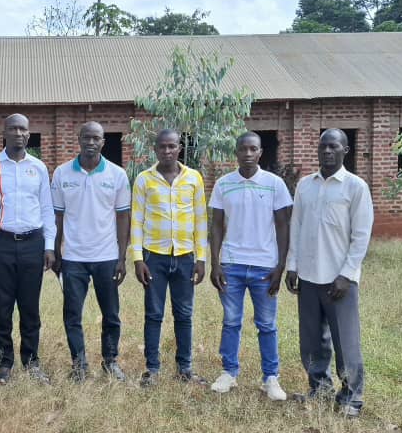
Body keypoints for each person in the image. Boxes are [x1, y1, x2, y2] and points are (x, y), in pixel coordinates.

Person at [286, 128, 374, 418]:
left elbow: (361, 236)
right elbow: (296, 227)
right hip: (309, 276)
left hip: (339, 280)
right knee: (311, 340)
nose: (327, 151)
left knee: (345, 341)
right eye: (323, 146)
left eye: (333, 147)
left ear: (345, 150)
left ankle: (351, 398)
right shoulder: (305, 186)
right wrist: (292, 266)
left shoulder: (355, 187)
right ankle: (319, 387)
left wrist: (347, 275)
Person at [207, 132, 291, 401]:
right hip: (231, 264)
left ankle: (271, 378)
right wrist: (215, 263)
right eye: (242, 149)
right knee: (231, 321)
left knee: (266, 323)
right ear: (236, 152)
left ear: (260, 152)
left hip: (264, 267)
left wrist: (280, 266)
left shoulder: (275, 184)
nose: (247, 153)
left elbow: (283, 226)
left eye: (252, 149)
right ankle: (229, 373)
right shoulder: (223, 184)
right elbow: (217, 225)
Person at [0, 113, 57, 385]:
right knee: (2, 307)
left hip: (33, 243)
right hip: (0, 243)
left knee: (30, 307)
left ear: (29, 133)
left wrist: (49, 246)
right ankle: (4, 364)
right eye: (13, 129)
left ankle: (32, 361)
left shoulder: (39, 168)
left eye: (23, 129)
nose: (19, 133)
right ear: (4, 132)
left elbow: (47, 209)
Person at [51, 122, 131, 382]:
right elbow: (58, 217)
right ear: (79, 139)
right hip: (73, 257)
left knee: (111, 314)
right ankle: (79, 364)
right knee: (72, 314)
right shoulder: (62, 174)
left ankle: (110, 361)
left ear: (103, 141)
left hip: (107, 257)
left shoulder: (117, 175)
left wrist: (121, 256)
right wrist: (56, 251)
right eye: (86, 137)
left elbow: (122, 217)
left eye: (96, 138)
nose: (91, 142)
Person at [130, 129, 208, 387]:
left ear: (179, 148)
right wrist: (138, 258)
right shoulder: (144, 179)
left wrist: (201, 258)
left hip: (185, 256)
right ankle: (152, 369)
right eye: (162, 147)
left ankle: (184, 368)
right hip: (155, 257)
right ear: (155, 149)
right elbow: (137, 220)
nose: (167, 151)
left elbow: (200, 219)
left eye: (172, 146)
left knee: (184, 314)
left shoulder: (193, 178)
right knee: (153, 314)